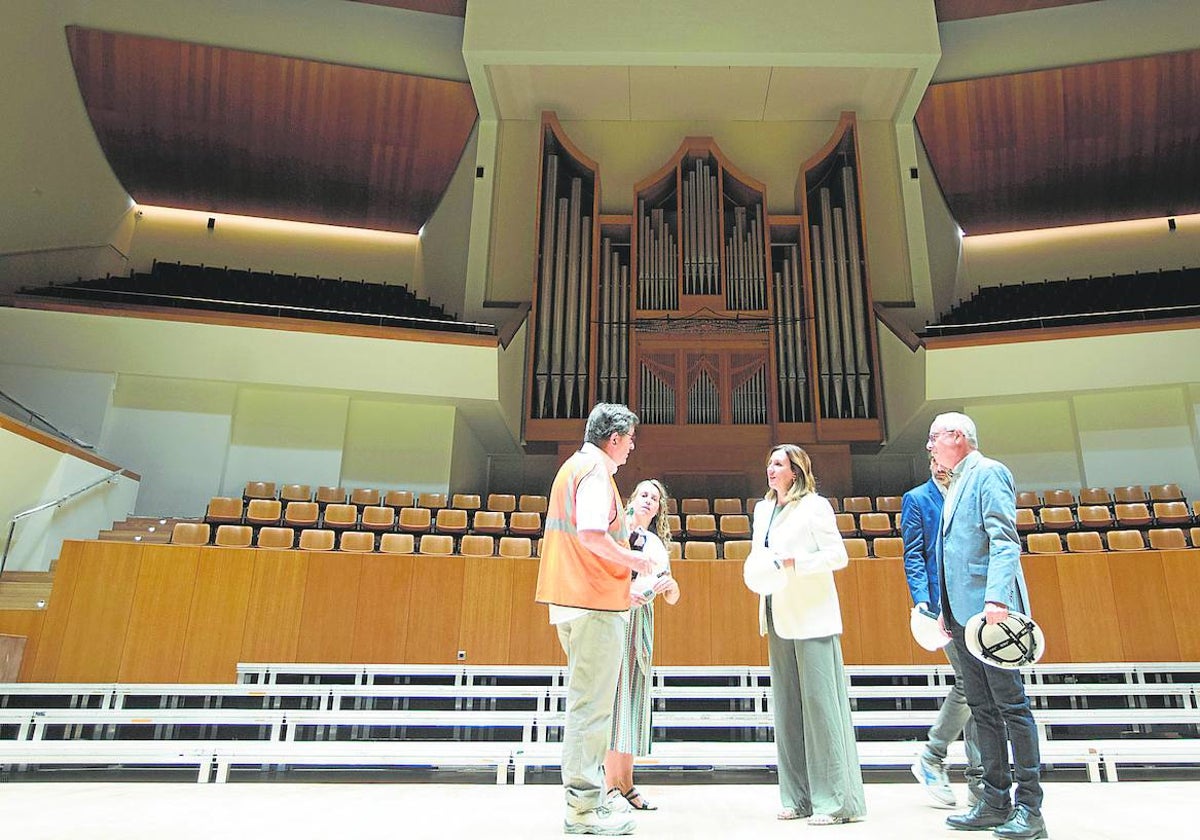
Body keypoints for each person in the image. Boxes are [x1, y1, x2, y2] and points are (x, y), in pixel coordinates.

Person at [535, 402, 654, 837]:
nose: (632, 447)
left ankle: (584, 802)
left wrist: (626, 584)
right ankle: (584, 809)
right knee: (591, 710)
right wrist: (634, 562)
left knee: (587, 706)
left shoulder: (573, 467)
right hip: (592, 605)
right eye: (630, 439)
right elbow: (590, 533)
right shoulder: (596, 472)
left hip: (576, 599)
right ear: (615, 438)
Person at [928, 412, 1047, 840]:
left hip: (990, 614)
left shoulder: (989, 472)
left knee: (1011, 708)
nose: (930, 446)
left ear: (958, 437)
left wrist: (997, 598)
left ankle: (1030, 809)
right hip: (962, 616)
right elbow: (953, 553)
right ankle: (994, 801)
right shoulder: (955, 482)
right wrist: (945, 606)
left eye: (934, 437)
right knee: (981, 710)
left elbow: (1003, 539)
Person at [748, 444, 866, 826]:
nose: (771, 469)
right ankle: (797, 798)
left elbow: (838, 556)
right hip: (776, 612)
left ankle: (834, 801)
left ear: (795, 471)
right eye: (769, 463)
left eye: (778, 464)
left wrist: (796, 563)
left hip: (812, 615)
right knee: (787, 710)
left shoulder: (815, 506)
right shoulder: (762, 510)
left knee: (820, 709)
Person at [902, 457, 984, 808]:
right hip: (941, 606)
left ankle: (981, 780)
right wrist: (922, 600)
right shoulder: (917, 498)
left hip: (976, 603)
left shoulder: (970, 493)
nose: (939, 466)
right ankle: (933, 754)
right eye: (932, 460)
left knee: (984, 687)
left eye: (943, 460)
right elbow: (914, 555)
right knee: (971, 681)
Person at [604, 479, 681, 812]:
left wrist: (670, 586)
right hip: (615, 618)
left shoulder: (656, 544)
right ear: (631, 500)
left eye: (656, 498)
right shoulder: (615, 534)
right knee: (614, 702)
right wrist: (623, 593)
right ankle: (609, 786)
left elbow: (672, 595)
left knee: (633, 702)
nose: (650, 500)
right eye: (645, 495)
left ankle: (628, 784)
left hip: (641, 623)